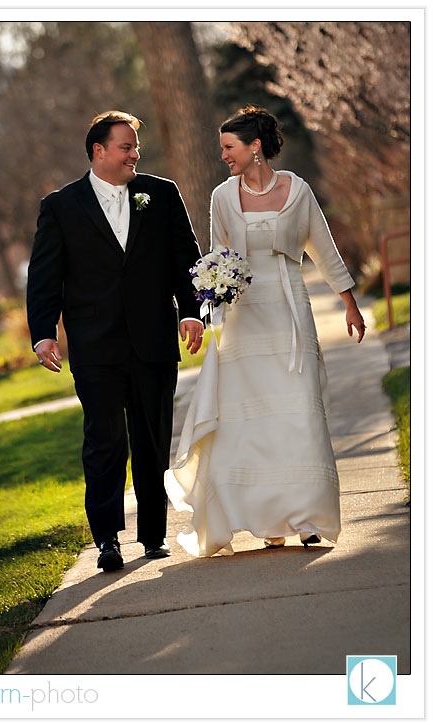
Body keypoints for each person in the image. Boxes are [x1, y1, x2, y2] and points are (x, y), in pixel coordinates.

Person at [165, 104, 366, 557]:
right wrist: (210, 302)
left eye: (229, 148)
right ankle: (267, 521)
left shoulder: (298, 190)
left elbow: (324, 249)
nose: (223, 156)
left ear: (255, 147)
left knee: (299, 413)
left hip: (290, 309)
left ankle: (309, 517)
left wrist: (348, 302)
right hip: (243, 318)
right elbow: (218, 254)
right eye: (221, 149)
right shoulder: (221, 197)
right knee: (252, 420)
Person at [26, 110, 204, 571]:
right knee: (104, 442)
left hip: (153, 340)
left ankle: (153, 536)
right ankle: (106, 538)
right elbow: (45, 277)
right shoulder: (61, 206)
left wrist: (190, 312)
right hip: (94, 345)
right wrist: (44, 334)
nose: (135, 155)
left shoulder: (160, 195)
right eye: (126, 147)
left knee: (151, 439)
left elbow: (186, 257)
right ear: (98, 151)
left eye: (136, 147)